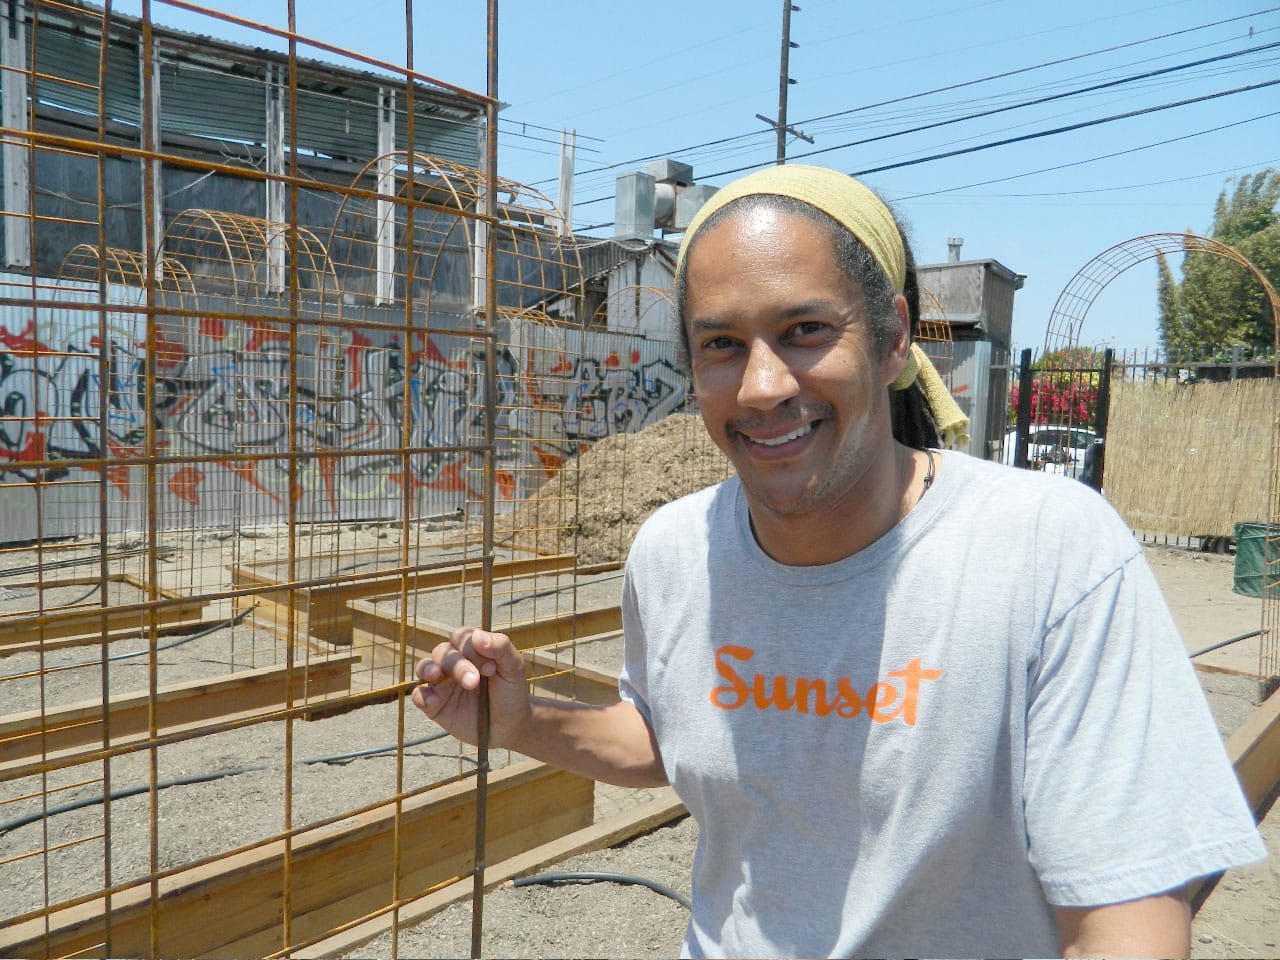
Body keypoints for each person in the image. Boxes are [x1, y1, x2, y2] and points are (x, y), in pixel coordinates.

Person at [413, 164, 1264, 958]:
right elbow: (670, 739)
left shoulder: (1046, 551)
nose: (762, 386)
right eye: (721, 345)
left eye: (806, 331)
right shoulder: (674, 551)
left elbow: (1128, 921)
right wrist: (523, 723)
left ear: (893, 339)